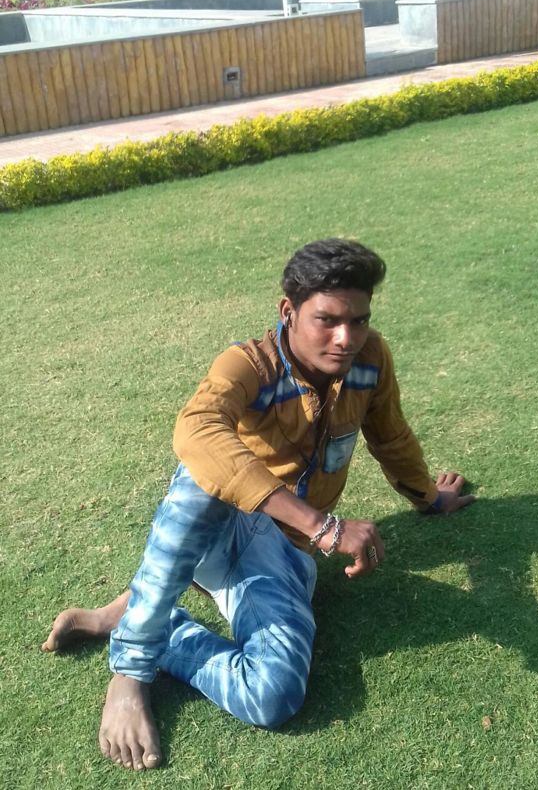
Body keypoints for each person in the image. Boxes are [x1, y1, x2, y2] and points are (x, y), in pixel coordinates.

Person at [42, 239, 476, 772]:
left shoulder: (369, 360)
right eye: (327, 320)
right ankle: (131, 670)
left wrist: (429, 498)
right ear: (288, 311)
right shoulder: (248, 364)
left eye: (359, 321)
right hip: (220, 528)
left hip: (283, 557)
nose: (346, 338)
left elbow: (391, 437)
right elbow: (198, 429)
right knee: (203, 474)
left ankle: (153, 622)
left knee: (272, 696)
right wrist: (323, 526)